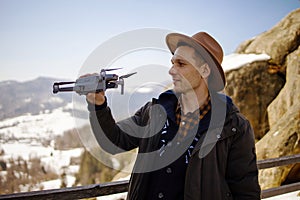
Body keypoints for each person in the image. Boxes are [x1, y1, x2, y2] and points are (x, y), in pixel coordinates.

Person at [85, 31, 261, 200]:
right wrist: (98, 105)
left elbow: (245, 191)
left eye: (181, 64)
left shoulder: (234, 127)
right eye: (172, 63)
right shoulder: (155, 111)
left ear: (205, 70)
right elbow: (114, 141)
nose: (171, 70)